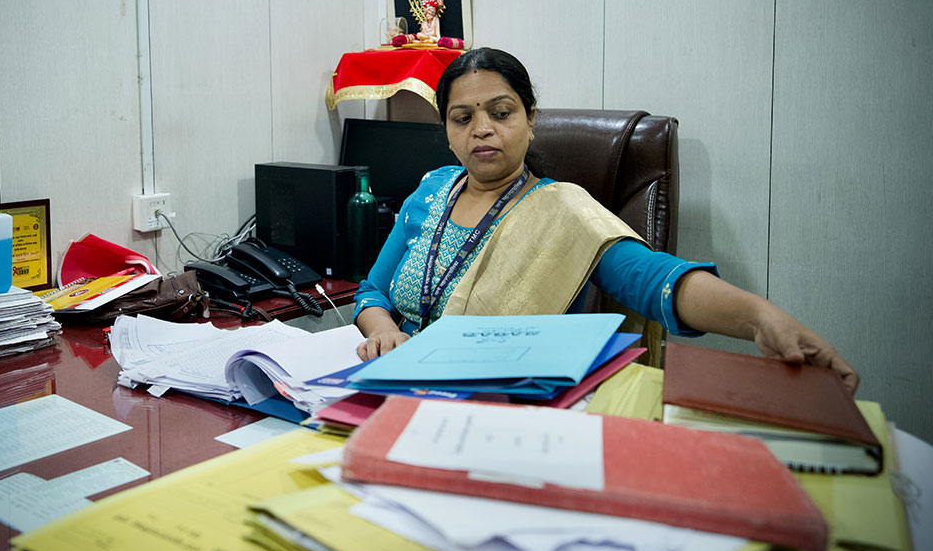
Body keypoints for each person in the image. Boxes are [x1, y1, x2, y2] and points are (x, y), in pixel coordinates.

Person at [352, 47, 859, 394]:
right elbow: (372, 291)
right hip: (389, 385)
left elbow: (654, 279)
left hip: (494, 405)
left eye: (501, 113)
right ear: (446, 131)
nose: (482, 129)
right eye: (463, 118)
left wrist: (760, 318)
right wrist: (383, 334)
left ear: (531, 120)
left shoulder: (564, 210)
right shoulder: (433, 189)